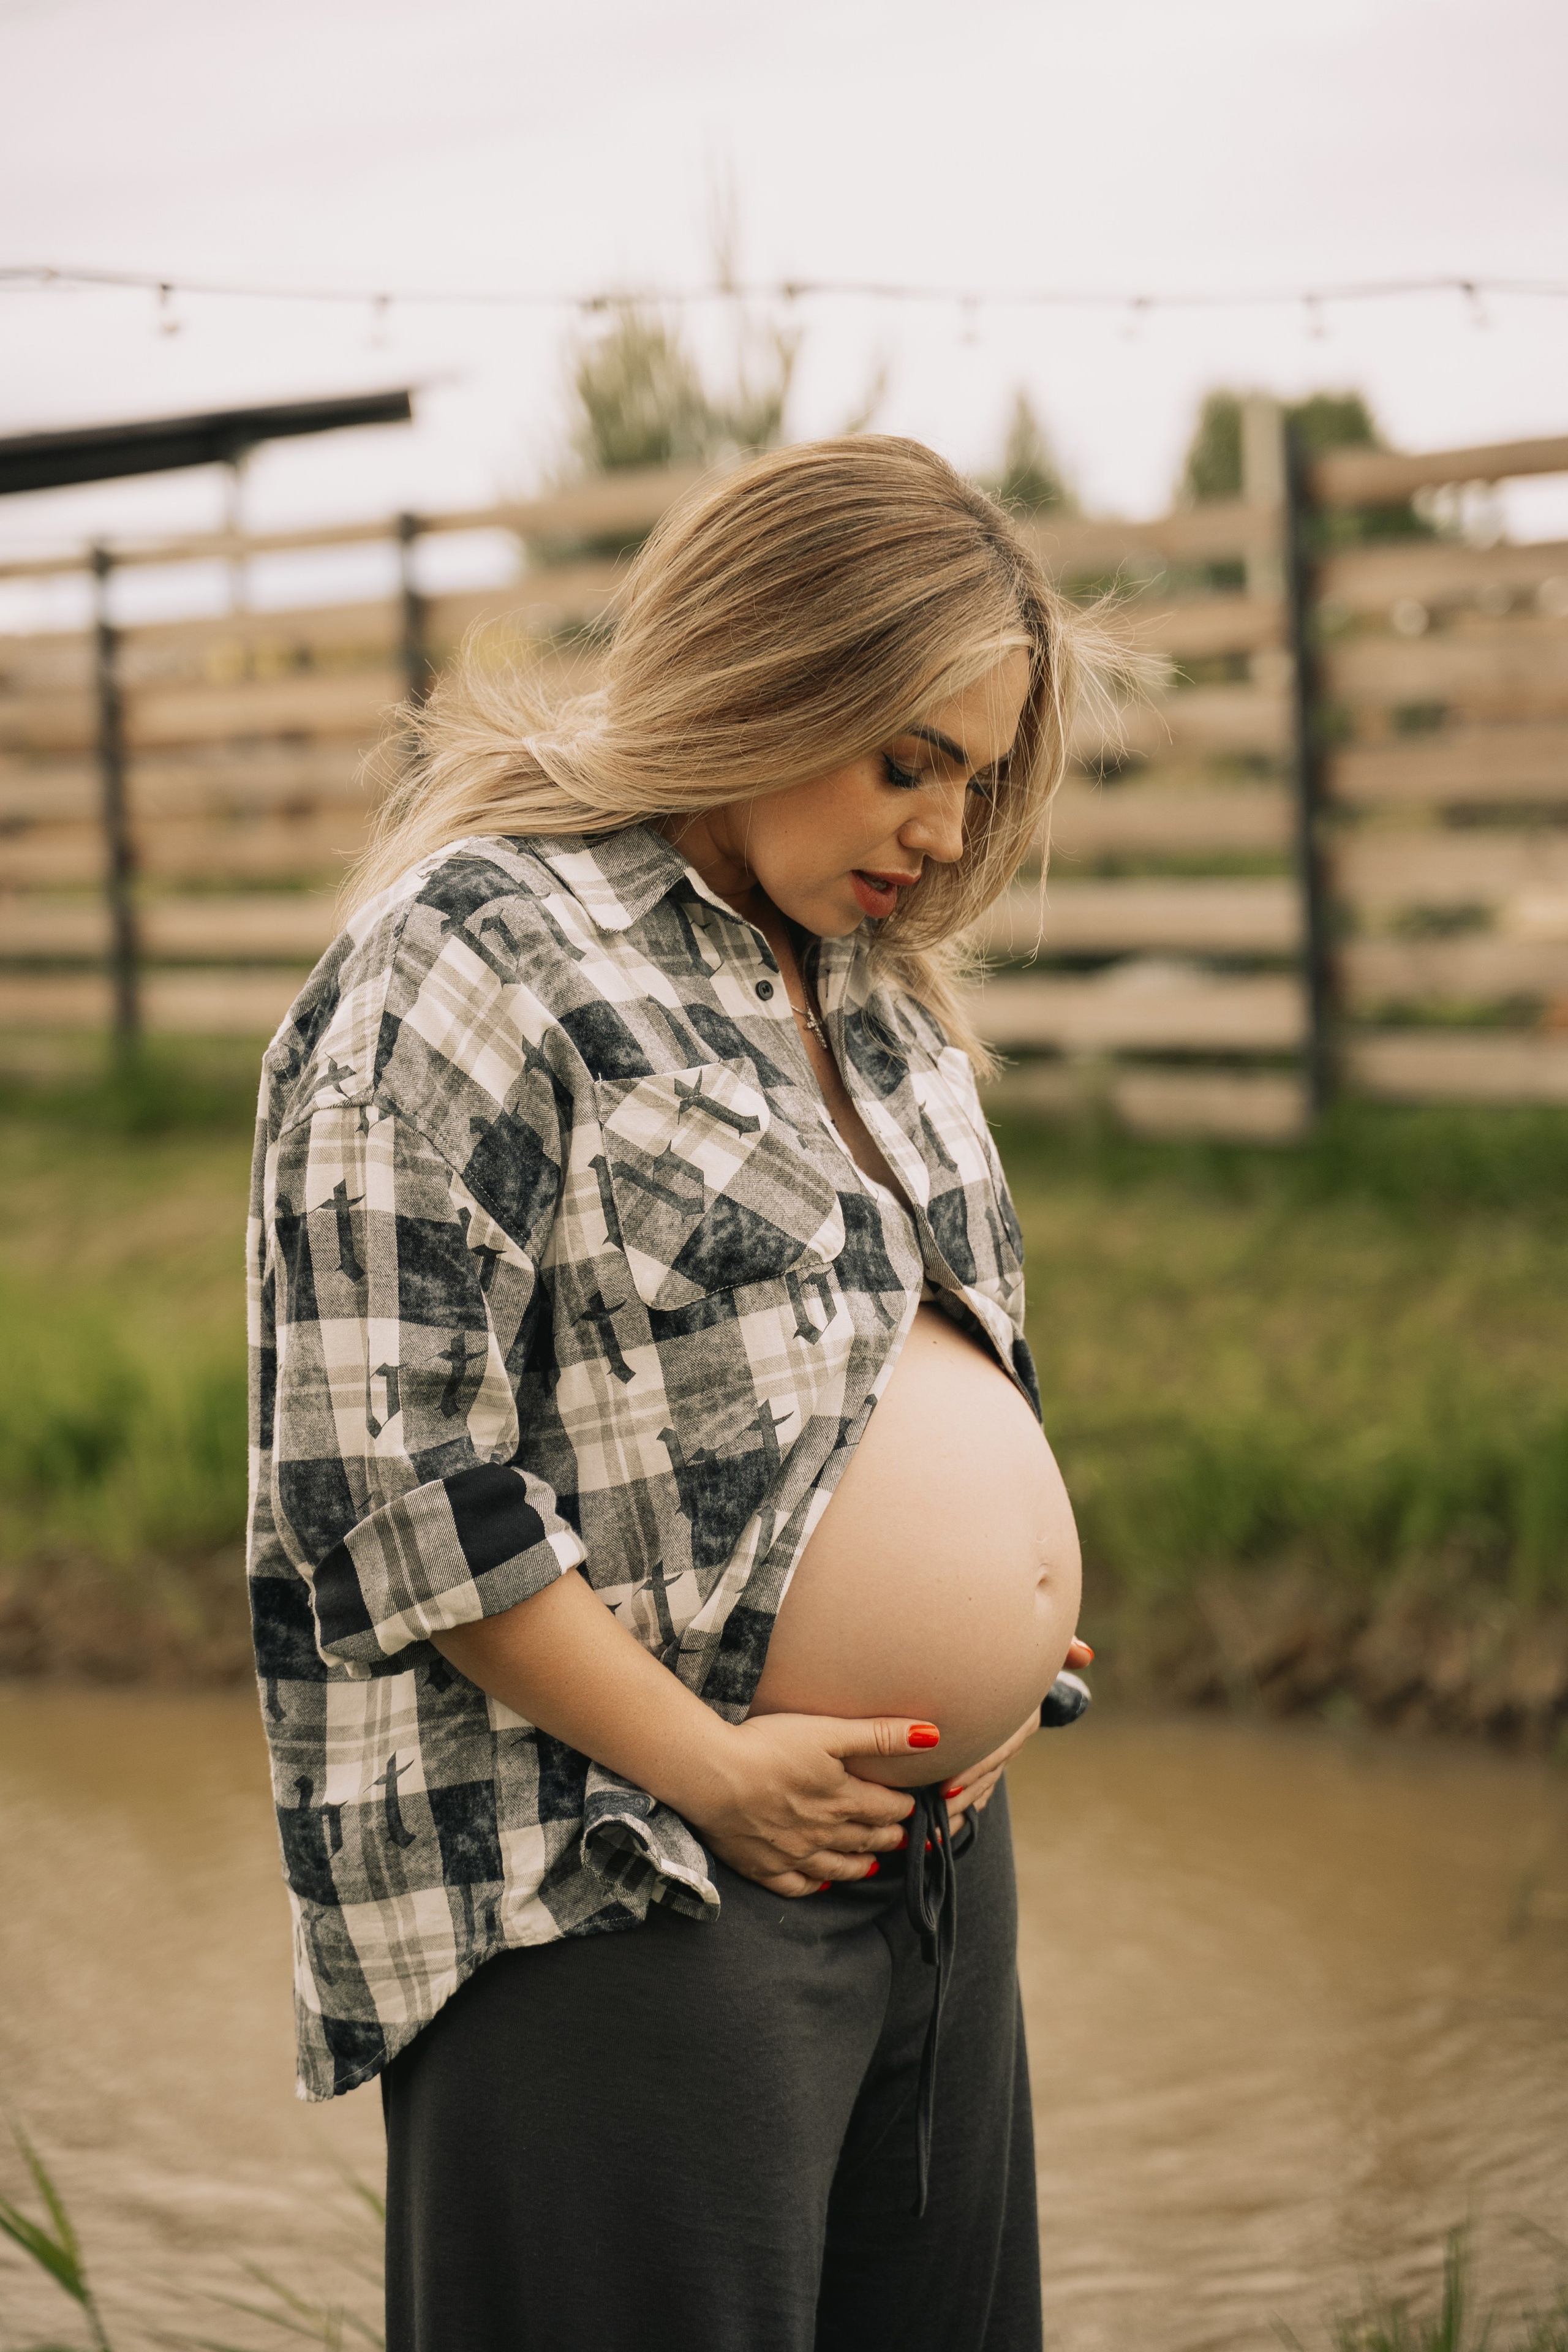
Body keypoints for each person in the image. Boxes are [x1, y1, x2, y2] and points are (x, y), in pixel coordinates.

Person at [246, 435, 1099, 2351]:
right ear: (770, 666)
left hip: (936, 1876)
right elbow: (382, 1482)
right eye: (910, 759)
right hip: (634, 1882)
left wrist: (1008, 1655)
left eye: (974, 777)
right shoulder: (479, 952)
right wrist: (715, 1768)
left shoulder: (864, 983)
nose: (947, 834)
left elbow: (890, 1370)